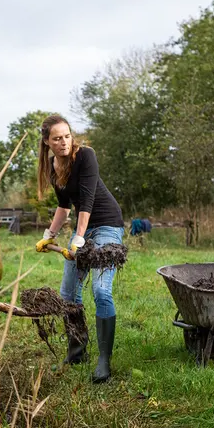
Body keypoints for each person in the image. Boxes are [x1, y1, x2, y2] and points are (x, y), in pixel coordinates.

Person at [35, 115, 125, 383]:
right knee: (68, 292)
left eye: (66, 136)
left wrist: (78, 239)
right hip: (84, 231)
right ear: (46, 142)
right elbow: (64, 206)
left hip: (107, 226)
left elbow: (85, 201)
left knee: (100, 290)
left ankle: (103, 361)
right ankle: (77, 352)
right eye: (56, 138)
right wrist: (49, 235)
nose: (63, 142)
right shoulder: (53, 166)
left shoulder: (86, 156)